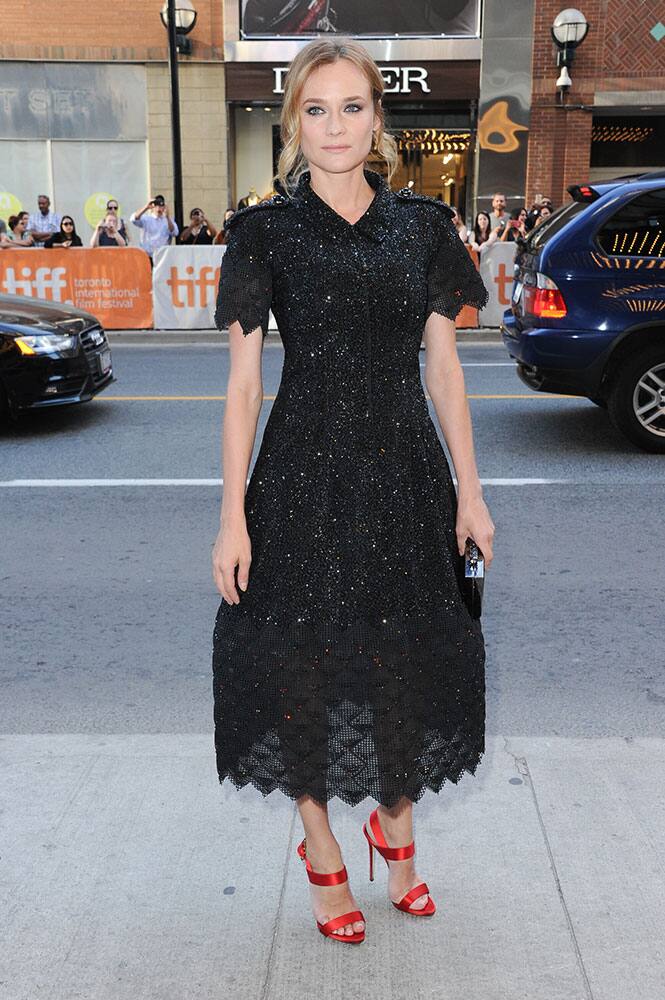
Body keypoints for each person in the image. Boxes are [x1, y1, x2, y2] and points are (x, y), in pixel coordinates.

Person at [211, 36, 494, 945]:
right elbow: (245, 386)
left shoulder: (423, 226)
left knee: (404, 656)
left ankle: (395, 828)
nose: (335, 126)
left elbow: (445, 371)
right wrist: (230, 515)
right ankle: (322, 847)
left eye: (353, 107)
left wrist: (470, 493)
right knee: (297, 663)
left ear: (379, 119)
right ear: (294, 122)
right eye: (316, 109)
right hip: (299, 475)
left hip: (406, 475)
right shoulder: (262, 230)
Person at [129, 195, 178, 260]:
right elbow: (133, 219)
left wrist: (167, 216)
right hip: (146, 255)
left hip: (162, 256)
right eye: (156, 205)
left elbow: (175, 233)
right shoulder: (146, 219)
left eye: (161, 205)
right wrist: (146, 207)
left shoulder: (168, 220)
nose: (158, 208)